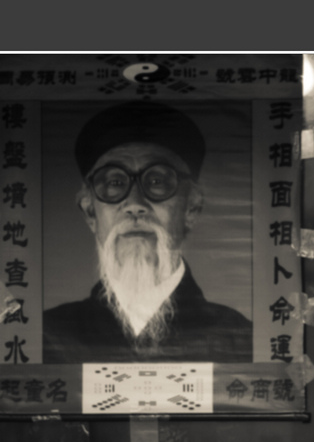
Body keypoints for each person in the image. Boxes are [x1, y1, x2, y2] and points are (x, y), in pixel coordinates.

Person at [43, 100, 252, 363]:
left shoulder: (241, 339)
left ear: (192, 207)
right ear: (90, 212)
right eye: (115, 183)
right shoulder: (46, 337)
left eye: (156, 182)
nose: (134, 205)